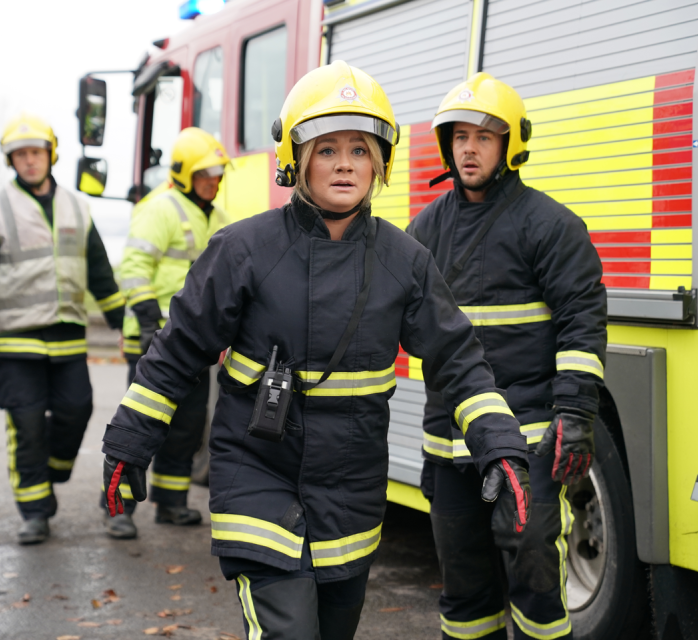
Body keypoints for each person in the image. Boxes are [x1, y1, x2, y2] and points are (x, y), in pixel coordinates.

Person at [100, 61, 531, 640]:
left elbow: (459, 361)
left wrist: (500, 446)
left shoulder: (404, 262)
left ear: (380, 161)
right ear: (296, 159)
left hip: (350, 490)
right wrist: (131, 443)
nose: (346, 163)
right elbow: (177, 351)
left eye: (360, 148)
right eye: (327, 149)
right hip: (257, 472)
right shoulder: (242, 250)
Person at [407, 73, 607, 639]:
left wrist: (574, 415)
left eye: (484, 137)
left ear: (511, 145)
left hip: (530, 441)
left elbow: (581, 326)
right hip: (451, 444)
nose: (469, 149)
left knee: (536, 579)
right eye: (460, 136)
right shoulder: (423, 231)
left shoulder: (551, 227)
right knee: (464, 593)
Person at [0, 114, 125, 545]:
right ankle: (35, 512)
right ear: (12, 161)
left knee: (77, 410)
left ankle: (50, 471)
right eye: (21, 155)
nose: (29, 161)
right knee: (26, 425)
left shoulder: (77, 208)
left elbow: (101, 274)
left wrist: (123, 325)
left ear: (50, 155)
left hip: (66, 341)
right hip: (13, 342)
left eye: (36, 153)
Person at [103, 127, 233, 539]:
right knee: (141, 426)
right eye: (205, 174)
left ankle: (170, 503)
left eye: (216, 174)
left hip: (194, 343)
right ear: (182, 174)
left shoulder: (219, 218)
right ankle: (116, 508)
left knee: (188, 426)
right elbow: (135, 268)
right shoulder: (160, 208)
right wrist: (145, 326)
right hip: (154, 340)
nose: (213, 181)